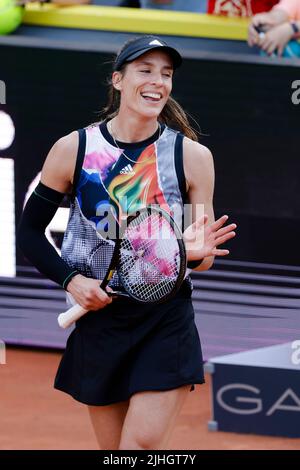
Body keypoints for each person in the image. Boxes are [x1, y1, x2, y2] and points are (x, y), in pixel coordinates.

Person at [18, 35, 236, 450]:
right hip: (98, 318)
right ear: (117, 80)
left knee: (140, 449)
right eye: (146, 70)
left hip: (165, 318)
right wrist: (71, 281)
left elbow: (200, 256)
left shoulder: (192, 158)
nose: (158, 81)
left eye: (166, 74)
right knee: (114, 453)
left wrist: (193, 255)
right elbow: (30, 232)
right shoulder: (73, 149)